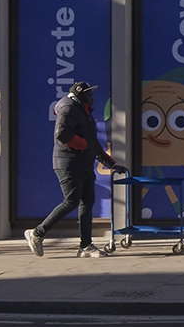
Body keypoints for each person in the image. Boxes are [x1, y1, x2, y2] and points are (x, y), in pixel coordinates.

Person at [26, 79, 117, 258]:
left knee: (87, 202)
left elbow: (93, 143)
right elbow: (62, 133)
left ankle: (86, 246)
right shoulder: (69, 109)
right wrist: (83, 146)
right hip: (68, 163)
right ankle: (37, 233)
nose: (92, 98)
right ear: (80, 95)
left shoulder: (84, 112)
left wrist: (110, 164)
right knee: (72, 201)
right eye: (89, 95)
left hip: (83, 163)